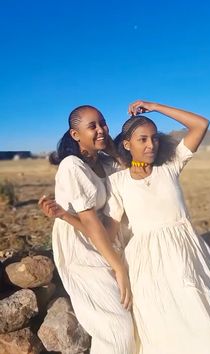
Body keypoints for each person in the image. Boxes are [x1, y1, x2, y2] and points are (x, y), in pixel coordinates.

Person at [102, 100, 210, 354]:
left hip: (187, 257)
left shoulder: (170, 167)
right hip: (147, 265)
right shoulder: (117, 182)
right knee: (163, 333)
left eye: (154, 138)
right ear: (127, 145)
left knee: (208, 331)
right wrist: (72, 220)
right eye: (142, 139)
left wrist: (154, 106)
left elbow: (200, 125)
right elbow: (109, 230)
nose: (151, 145)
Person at [39, 105, 136, 354]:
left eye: (103, 123)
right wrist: (118, 267)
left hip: (106, 240)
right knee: (117, 326)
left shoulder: (102, 161)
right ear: (75, 135)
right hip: (82, 248)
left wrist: (113, 148)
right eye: (92, 126)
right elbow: (90, 221)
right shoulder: (72, 166)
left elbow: (132, 174)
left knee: (131, 319)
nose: (101, 129)